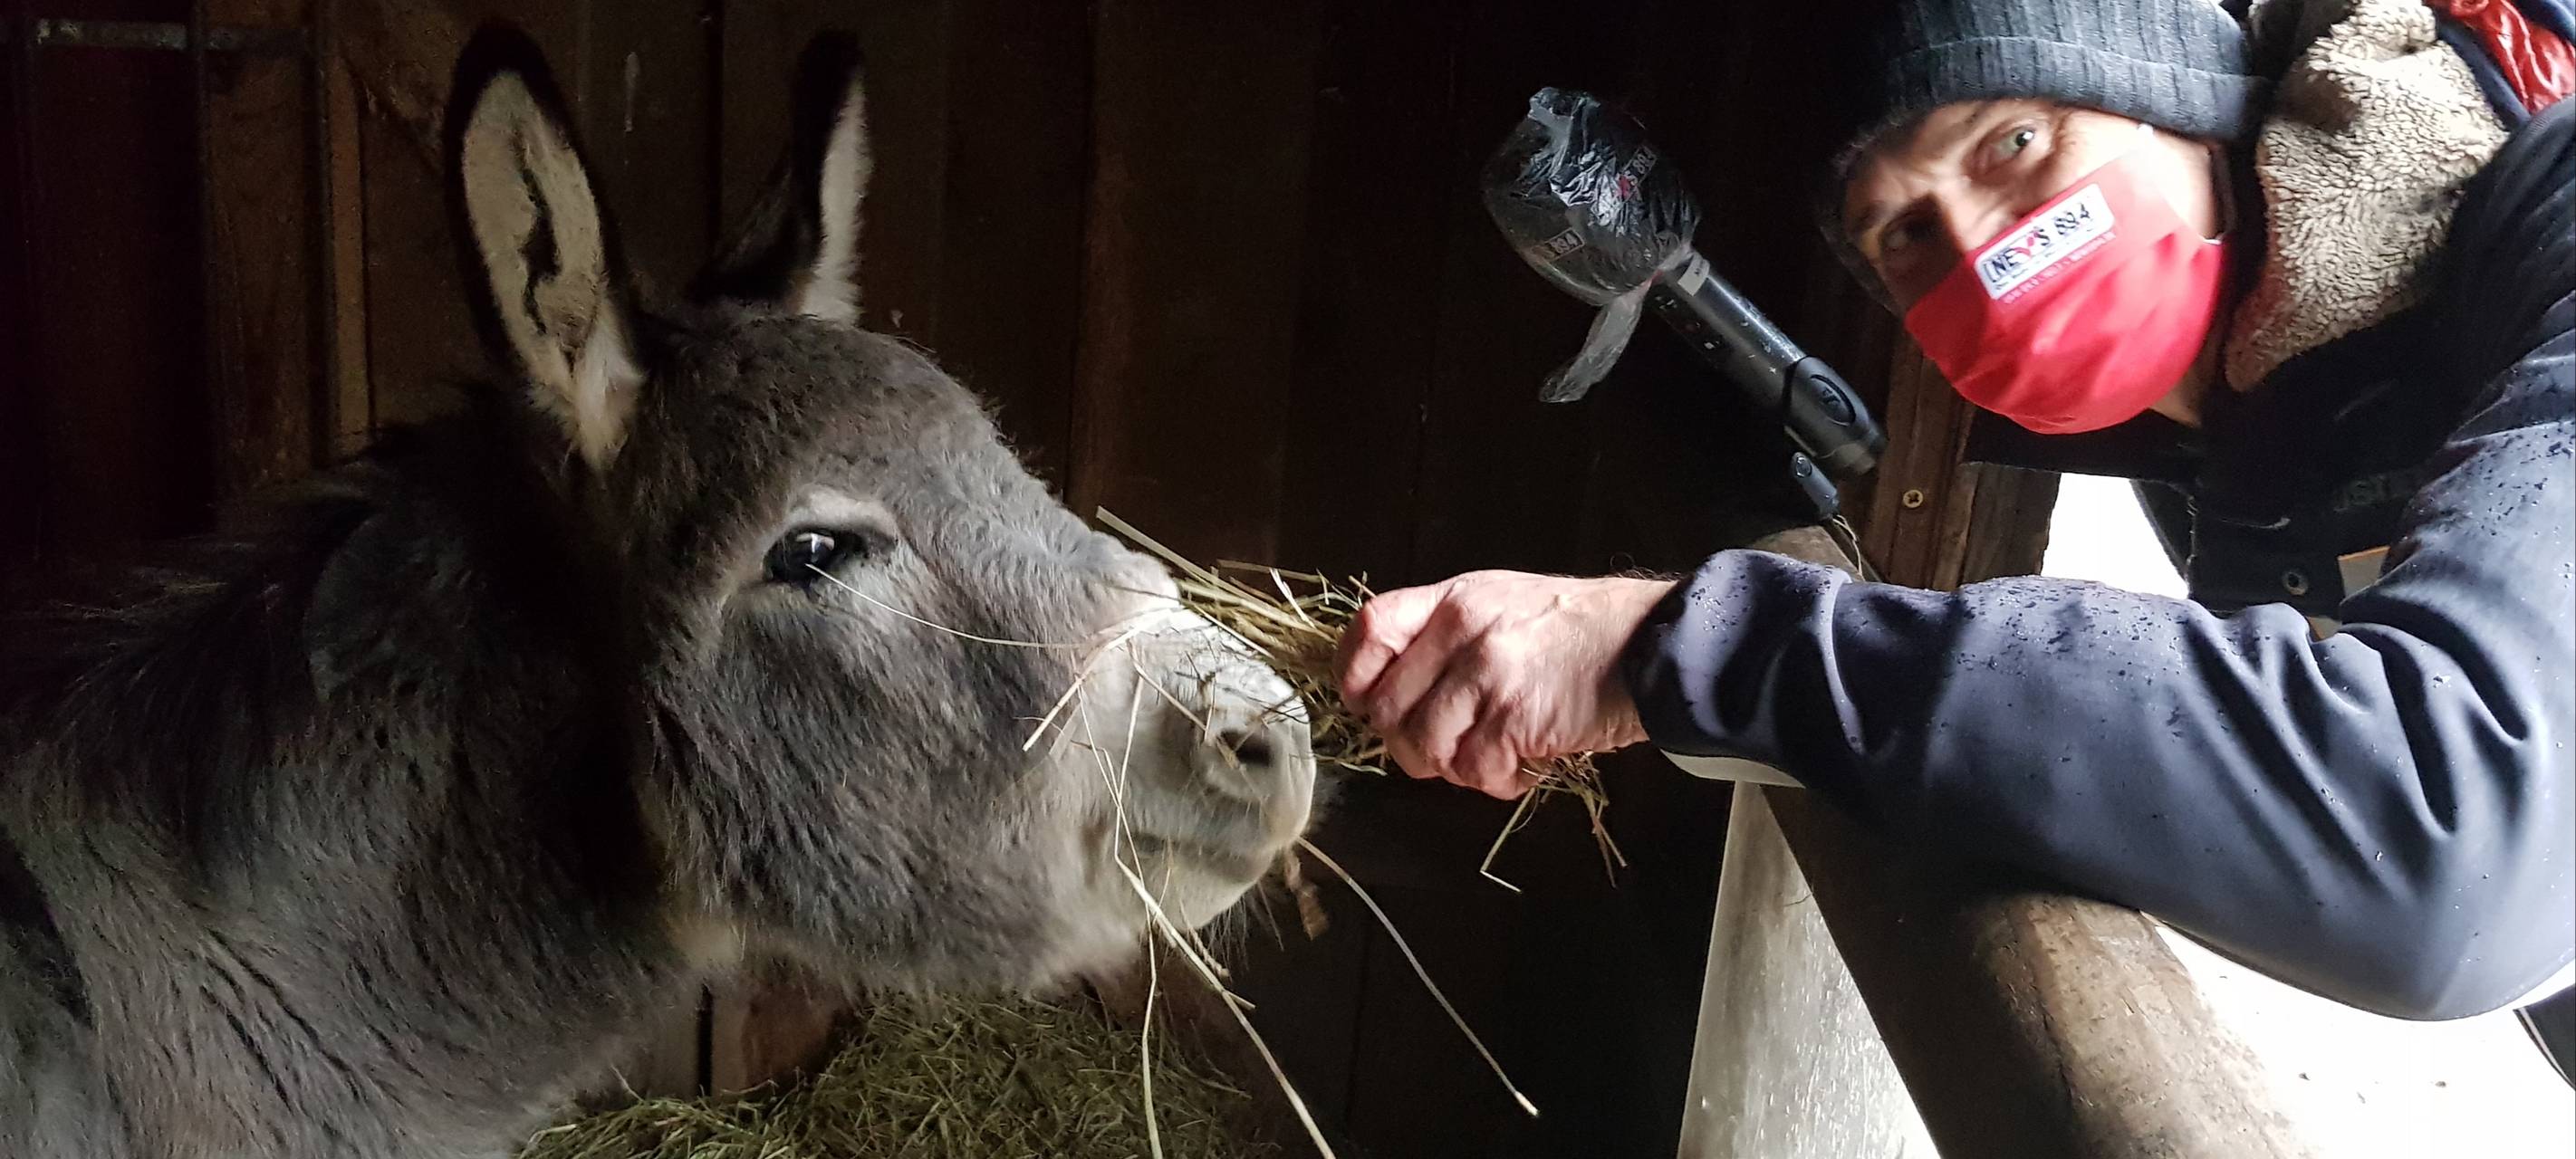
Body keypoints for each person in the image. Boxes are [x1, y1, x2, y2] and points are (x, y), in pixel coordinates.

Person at [1336, 0, 2575, 1077]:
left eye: (2016, 144)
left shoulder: (2549, 226)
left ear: (2184, 104)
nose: (1986, 252)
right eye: (1906, 236)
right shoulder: (2261, 450)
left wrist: (1688, 647)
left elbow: (2453, 842)